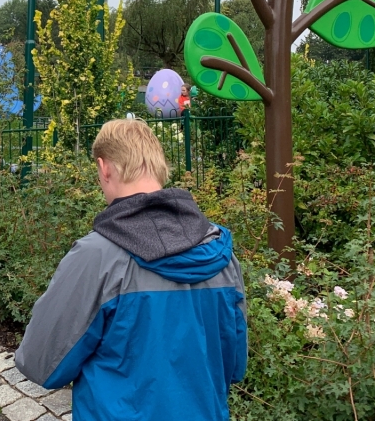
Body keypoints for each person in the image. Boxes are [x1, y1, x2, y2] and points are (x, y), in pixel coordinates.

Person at [15, 117, 247, 421]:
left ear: (105, 167)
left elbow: (41, 362)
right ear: (158, 165)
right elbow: (234, 364)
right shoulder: (222, 254)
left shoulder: (96, 256)